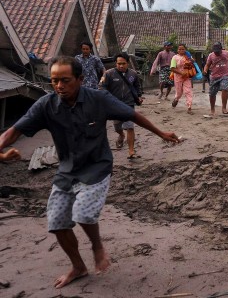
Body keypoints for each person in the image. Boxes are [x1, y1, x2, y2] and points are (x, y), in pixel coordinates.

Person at [0, 56, 179, 289]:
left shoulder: (99, 99)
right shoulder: (46, 105)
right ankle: (78, 266)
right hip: (67, 169)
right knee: (56, 222)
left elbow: (133, 115)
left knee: (83, 213)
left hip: (97, 166)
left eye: (65, 80)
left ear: (80, 79)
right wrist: (1, 151)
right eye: (54, 81)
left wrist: (161, 133)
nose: (59, 86)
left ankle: (97, 246)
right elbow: (14, 131)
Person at [100, 53, 144, 159]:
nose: (121, 66)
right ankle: (121, 135)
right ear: (116, 63)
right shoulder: (109, 74)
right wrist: (108, 99)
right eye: (119, 63)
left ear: (127, 63)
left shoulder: (133, 74)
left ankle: (131, 151)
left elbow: (137, 87)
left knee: (129, 126)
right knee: (117, 127)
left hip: (128, 104)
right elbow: (102, 87)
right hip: (114, 105)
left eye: (123, 63)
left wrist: (138, 96)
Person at [203, 42, 228, 115]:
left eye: (218, 51)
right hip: (214, 77)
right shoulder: (211, 56)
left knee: (225, 89)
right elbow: (207, 65)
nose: (217, 53)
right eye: (215, 52)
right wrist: (205, 70)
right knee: (212, 94)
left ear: (221, 49)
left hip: (224, 75)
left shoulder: (227, 53)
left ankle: (224, 108)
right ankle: (212, 109)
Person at [170, 44, 195, 115]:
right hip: (178, 78)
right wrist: (181, 73)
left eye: (183, 49)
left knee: (188, 92)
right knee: (179, 93)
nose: (181, 50)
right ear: (177, 50)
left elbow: (193, 63)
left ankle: (189, 107)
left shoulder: (187, 57)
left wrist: (192, 60)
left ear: (185, 50)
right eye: (179, 49)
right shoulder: (174, 57)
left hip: (187, 77)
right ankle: (176, 99)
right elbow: (172, 68)